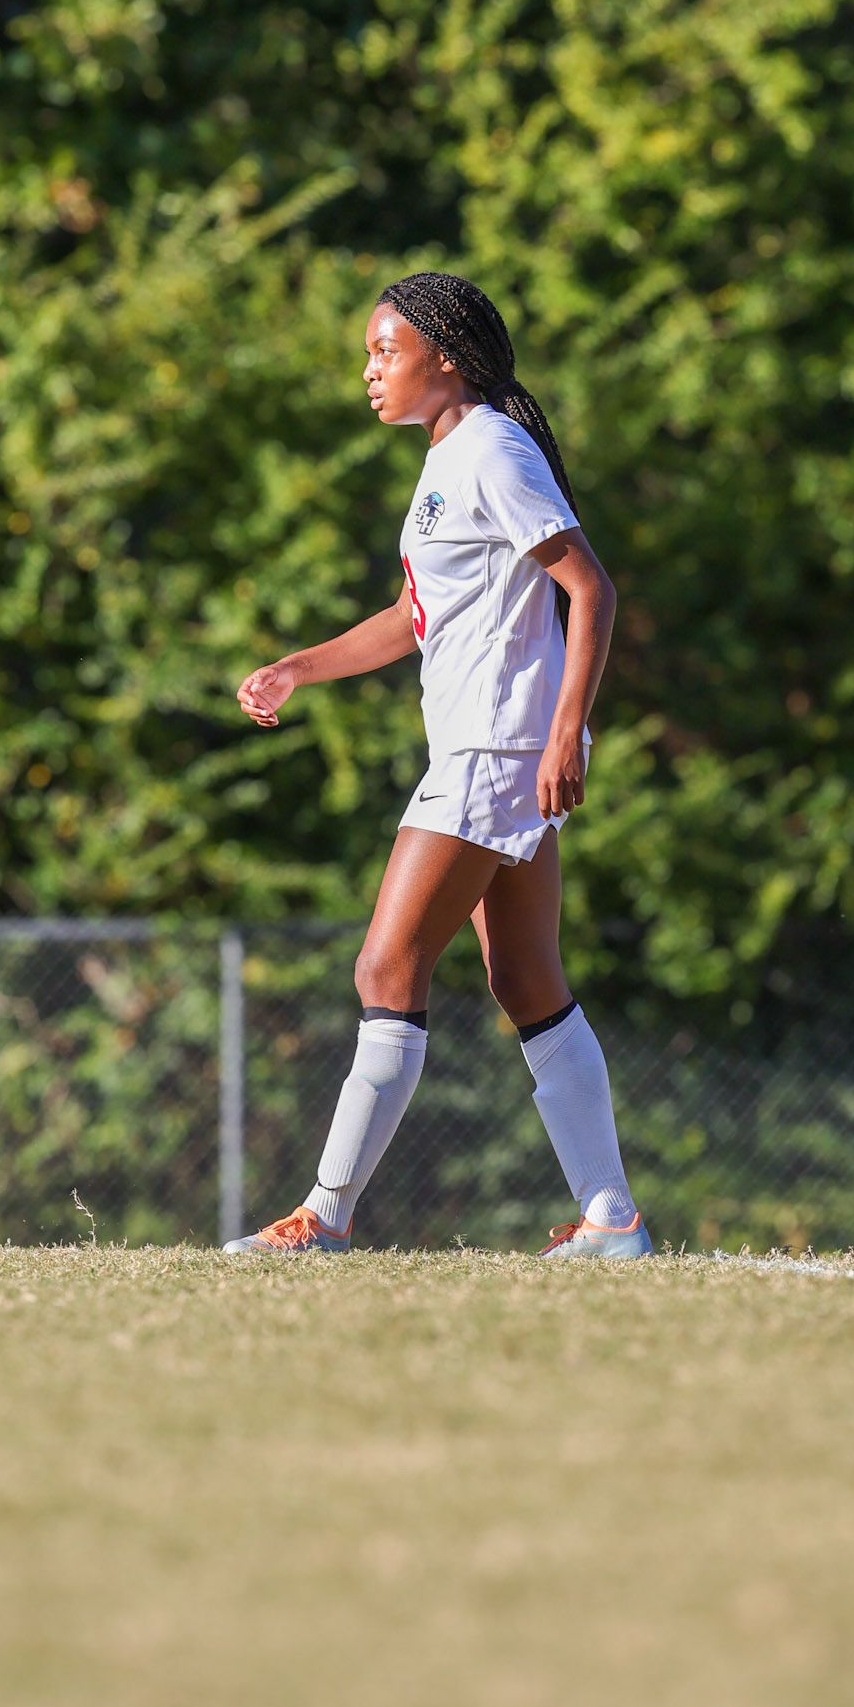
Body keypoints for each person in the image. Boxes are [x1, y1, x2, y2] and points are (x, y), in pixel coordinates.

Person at [223, 271, 650, 1260]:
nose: (370, 370)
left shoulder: (492, 449)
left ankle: (323, 1216)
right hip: (493, 744)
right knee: (526, 977)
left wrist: (563, 733)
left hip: (497, 747)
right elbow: (418, 615)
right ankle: (612, 1218)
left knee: (386, 963)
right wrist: (299, 666)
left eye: (387, 350)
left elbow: (591, 589)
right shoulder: (449, 458)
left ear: (445, 359)